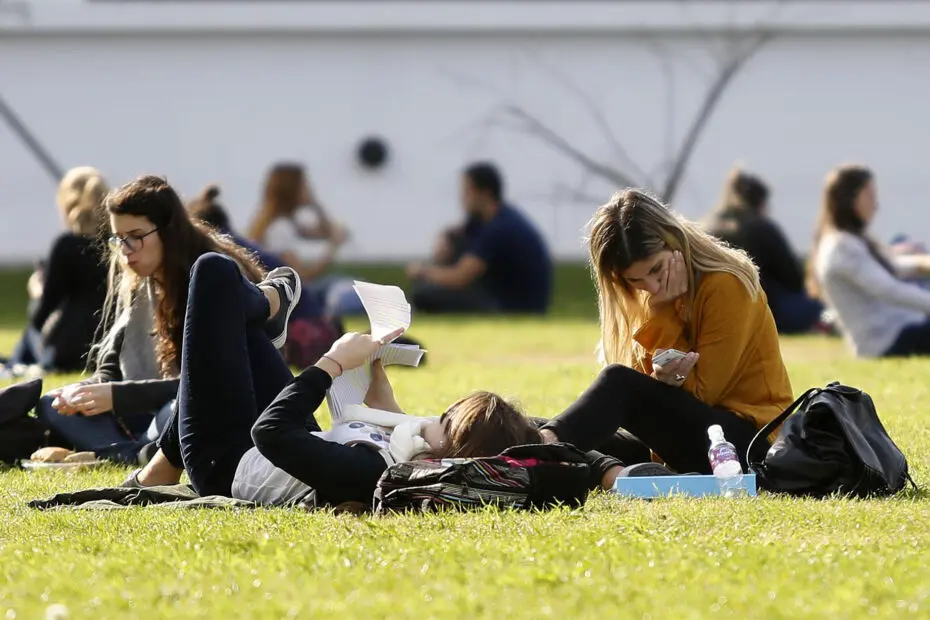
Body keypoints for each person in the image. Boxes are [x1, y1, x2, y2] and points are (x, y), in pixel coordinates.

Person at [125, 253, 628, 504]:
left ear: (445, 452)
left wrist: (332, 364)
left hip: (227, 457)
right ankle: (267, 309)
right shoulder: (408, 452)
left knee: (213, 274)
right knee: (231, 311)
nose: (436, 414)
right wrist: (377, 380)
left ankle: (273, 303)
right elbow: (386, 424)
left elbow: (272, 434)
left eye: (445, 419)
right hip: (267, 436)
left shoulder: (371, 474)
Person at [538, 189, 794, 475]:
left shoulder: (725, 285)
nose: (652, 285)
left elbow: (699, 394)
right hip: (681, 443)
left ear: (674, 242)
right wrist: (660, 371)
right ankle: (523, 455)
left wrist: (663, 318)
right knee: (552, 427)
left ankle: (544, 452)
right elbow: (642, 401)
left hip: (749, 444)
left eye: (656, 269)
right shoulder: (646, 294)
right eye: (636, 279)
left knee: (616, 382)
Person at [33, 175, 270, 465]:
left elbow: (208, 384)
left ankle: (119, 454)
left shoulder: (210, 274)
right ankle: (130, 452)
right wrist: (85, 393)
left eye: (136, 237)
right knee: (51, 404)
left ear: (168, 232)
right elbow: (111, 370)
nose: (126, 250)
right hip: (143, 414)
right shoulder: (139, 279)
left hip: (207, 409)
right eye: (120, 240)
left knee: (179, 411)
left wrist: (117, 397)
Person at [809, 164, 930, 357]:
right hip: (887, 342)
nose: (876, 204)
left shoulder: (846, 240)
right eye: (870, 195)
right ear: (851, 199)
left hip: (895, 333)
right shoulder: (842, 247)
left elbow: (889, 268)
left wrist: (920, 264)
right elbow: (889, 290)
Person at [407, 162, 553, 314]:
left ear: (484, 193)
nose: (462, 198)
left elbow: (460, 278)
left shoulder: (500, 228)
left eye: (466, 191)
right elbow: (458, 235)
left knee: (425, 295)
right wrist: (446, 238)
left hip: (513, 307)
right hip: (504, 297)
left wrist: (422, 272)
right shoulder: (494, 218)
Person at [6, 167, 109, 373]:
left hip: (69, 348)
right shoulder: (116, 242)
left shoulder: (67, 244)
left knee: (30, 334)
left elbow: (42, 314)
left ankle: (12, 363)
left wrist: (37, 290)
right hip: (107, 345)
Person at [705, 167, 824, 334]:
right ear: (761, 203)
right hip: (766, 311)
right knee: (821, 304)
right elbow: (794, 278)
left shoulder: (708, 227)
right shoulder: (760, 228)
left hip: (716, 312)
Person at [247, 162, 361, 316]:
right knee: (354, 290)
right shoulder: (280, 229)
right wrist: (333, 248)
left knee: (347, 283)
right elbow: (304, 278)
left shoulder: (285, 221)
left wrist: (315, 204)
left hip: (297, 295)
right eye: (304, 185)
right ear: (293, 190)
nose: (308, 189)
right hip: (299, 299)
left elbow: (327, 231)